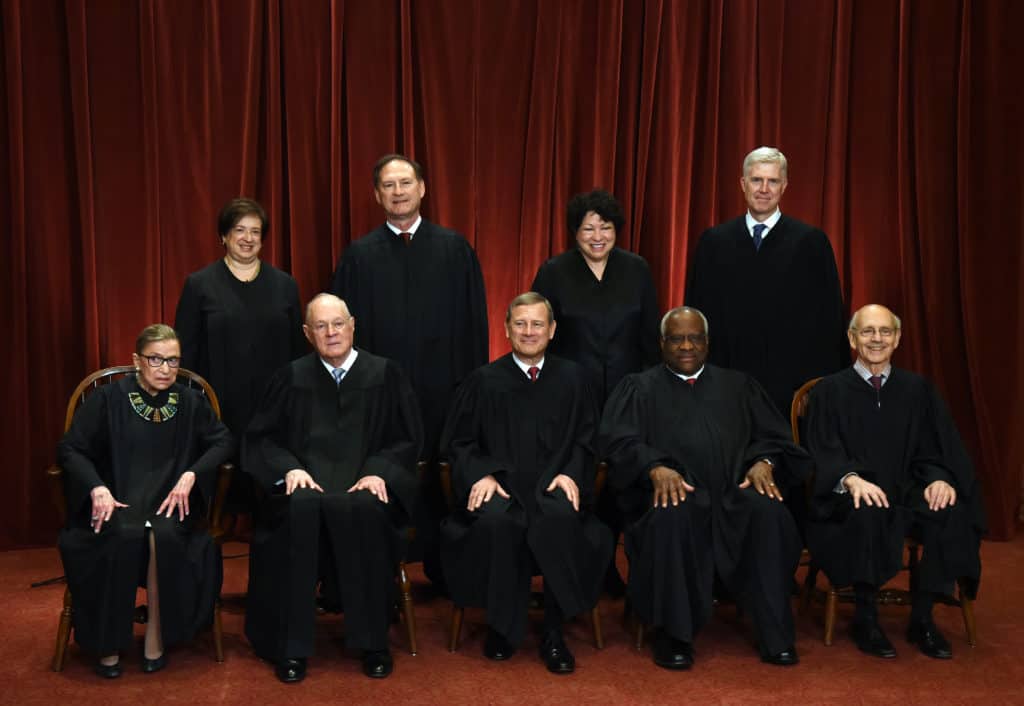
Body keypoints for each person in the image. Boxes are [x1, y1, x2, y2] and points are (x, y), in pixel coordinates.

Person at [599, 307, 812, 669]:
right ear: (661, 343)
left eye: (694, 338)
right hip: (674, 493)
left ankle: (775, 635)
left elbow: (776, 439)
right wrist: (653, 466)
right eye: (677, 339)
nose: (686, 346)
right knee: (671, 514)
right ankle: (673, 636)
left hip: (734, 491)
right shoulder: (638, 388)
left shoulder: (739, 386)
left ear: (707, 343)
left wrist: (765, 462)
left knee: (769, 513)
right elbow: (617, 442)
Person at [241, 293, 423, 683]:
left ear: (353, 325)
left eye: (337, 323)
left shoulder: (385, 374)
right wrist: (288, 469)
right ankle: (290, 647)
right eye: (320, 326)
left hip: (364, 490)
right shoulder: (290, 378)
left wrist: (379, 472)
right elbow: (261, 440)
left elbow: (407, 439)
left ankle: (373, 642)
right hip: (306, 491)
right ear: (307, 333)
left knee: (365, 508)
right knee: (298, 511)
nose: (331, 332)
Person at [329, 153, 489, 589]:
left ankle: (449, 573)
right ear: (377, 195)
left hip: (444, 387)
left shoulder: (454, 249)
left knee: (442, 481)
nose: (398, 192)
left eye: (405, 183)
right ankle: (375, 576)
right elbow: (343, 335)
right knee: (381, 475)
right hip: (378, 395)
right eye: (388, 185)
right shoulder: (359, 257)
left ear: (422, 189)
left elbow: (474, 323)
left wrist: (471, 388)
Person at [440, 293, 613, 674]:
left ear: (552, 330)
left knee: (558, 520)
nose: (528, 331)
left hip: (554, 484)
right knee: (498, 522)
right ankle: (501, 628)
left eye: (537, 324)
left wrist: (571, 473)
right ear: (506, 329)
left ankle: (554, 633)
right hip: (502, 487)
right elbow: (459, 442)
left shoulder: (574, 379)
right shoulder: (483, 381)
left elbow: (589, 440)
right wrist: (481, 474)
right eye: (520, 324)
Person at [804, 304, 984, 660]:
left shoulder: (918, 390)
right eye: (868, 331)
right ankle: (866, 619)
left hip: (907, 486)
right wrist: (850, 478)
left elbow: (936, 447)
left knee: (950, 510)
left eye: (885, 331)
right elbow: (821, 449)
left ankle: (923, 618)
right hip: (853, 494)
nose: (876, 339)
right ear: (852, 337)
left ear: (897, 338)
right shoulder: (829, 391)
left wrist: (939, 478)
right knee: (868, 509)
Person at [57, 324, 233, 678]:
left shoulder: (190, 400)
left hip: (171, 501)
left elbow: (223, 442)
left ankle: (156, 634)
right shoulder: (107, 399)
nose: (166, 369)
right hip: (117, 498)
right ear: (137, 360)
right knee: (122, 533)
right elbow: (71, 449)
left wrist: (192, 474)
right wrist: (96, 487)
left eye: (173, 361)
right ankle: (107, 643)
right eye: (156, 359)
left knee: (161, 535)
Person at [530, 188, 660, 597]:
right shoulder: (554, 271)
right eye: (588, 228)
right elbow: (538, 334)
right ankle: (576, 565)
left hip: (627, 393)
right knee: (580, 475)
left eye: (605, 227)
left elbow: (649, 336)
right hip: (571, 394)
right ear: (575, 232)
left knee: (622, 481)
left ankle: (608, 565)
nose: (597, 235)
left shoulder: (637, 270)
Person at [685, 146, 847, 418]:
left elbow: (828, 323)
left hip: (790, 391)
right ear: (742, 184)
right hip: (726, 387)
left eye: (772, 181)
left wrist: (815, 387)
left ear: (784, 186)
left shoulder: (811, 243)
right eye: (756, 180)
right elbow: (698, 318)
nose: (764, 188)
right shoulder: (714, 243)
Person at [174, 197, 306, 509]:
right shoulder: (199, 284)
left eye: (255, 232)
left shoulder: (285, 285)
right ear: (223, 236)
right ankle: (223, 514)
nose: (248, 238)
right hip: (218, 400)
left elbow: (297, 350)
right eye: (239, 230)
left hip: (273, 400)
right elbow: (186, 350)